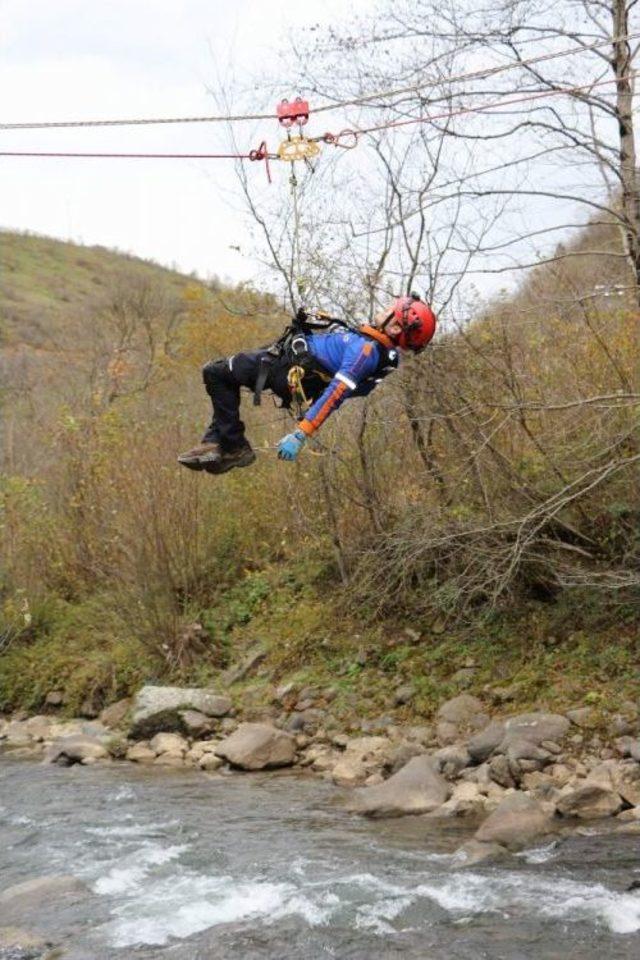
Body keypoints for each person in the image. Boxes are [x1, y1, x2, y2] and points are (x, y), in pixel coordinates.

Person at [178, 294, 436, 475]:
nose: (384, 308)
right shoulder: (370, 344)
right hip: (284, 359)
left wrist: (301, 432)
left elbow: (337, 392)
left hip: (285, 368)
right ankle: (217, 441)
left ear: (394, 328)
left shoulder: (366, 352)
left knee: (215, 372)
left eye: (391, 308)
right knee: (225, 374)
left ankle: (233, 446)